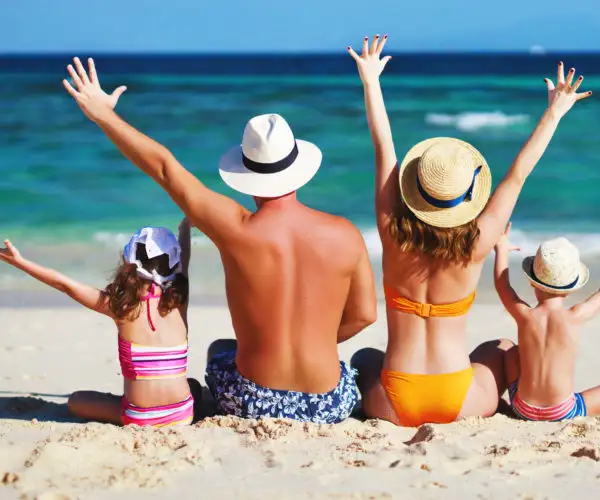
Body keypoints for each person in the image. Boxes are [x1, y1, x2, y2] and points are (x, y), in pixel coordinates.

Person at [61, 58, 376, 424]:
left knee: (221, 350)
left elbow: (165, 168)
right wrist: (314, 345)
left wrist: (105, 116)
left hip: (251, 404)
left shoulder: (235, 228)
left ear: (246, 173)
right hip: (326, 405)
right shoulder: (345, 234)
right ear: (298, 169)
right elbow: (364, 315)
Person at [347, 35, 593, 426]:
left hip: (394, 402)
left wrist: (371, 81)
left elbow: (384, 148)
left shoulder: (392, 231)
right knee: (501, 348)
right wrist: (554, 113)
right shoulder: (477, 244)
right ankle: (531, 405)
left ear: (415, 191)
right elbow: (517, 175)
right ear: (466, 197)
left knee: (364, 358)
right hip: (459, 399)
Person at [0, 222, 195, 426]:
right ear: (173, 263)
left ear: (129, 261)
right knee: (192, 386)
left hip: (140, 418)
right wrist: (186, 226)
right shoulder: (179, 298)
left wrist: (19, 262)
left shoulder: (120, 307)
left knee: (77, 401)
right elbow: (185, 258)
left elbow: (65, 285)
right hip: (182, 414)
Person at [494, 225, 600, 420]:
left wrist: (501, 251)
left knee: (510, 352)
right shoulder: (574, 316)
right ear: (571, 288)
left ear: (532, 281)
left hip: (522, 407)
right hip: (562, 411)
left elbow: (502, 285)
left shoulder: (524, 314)